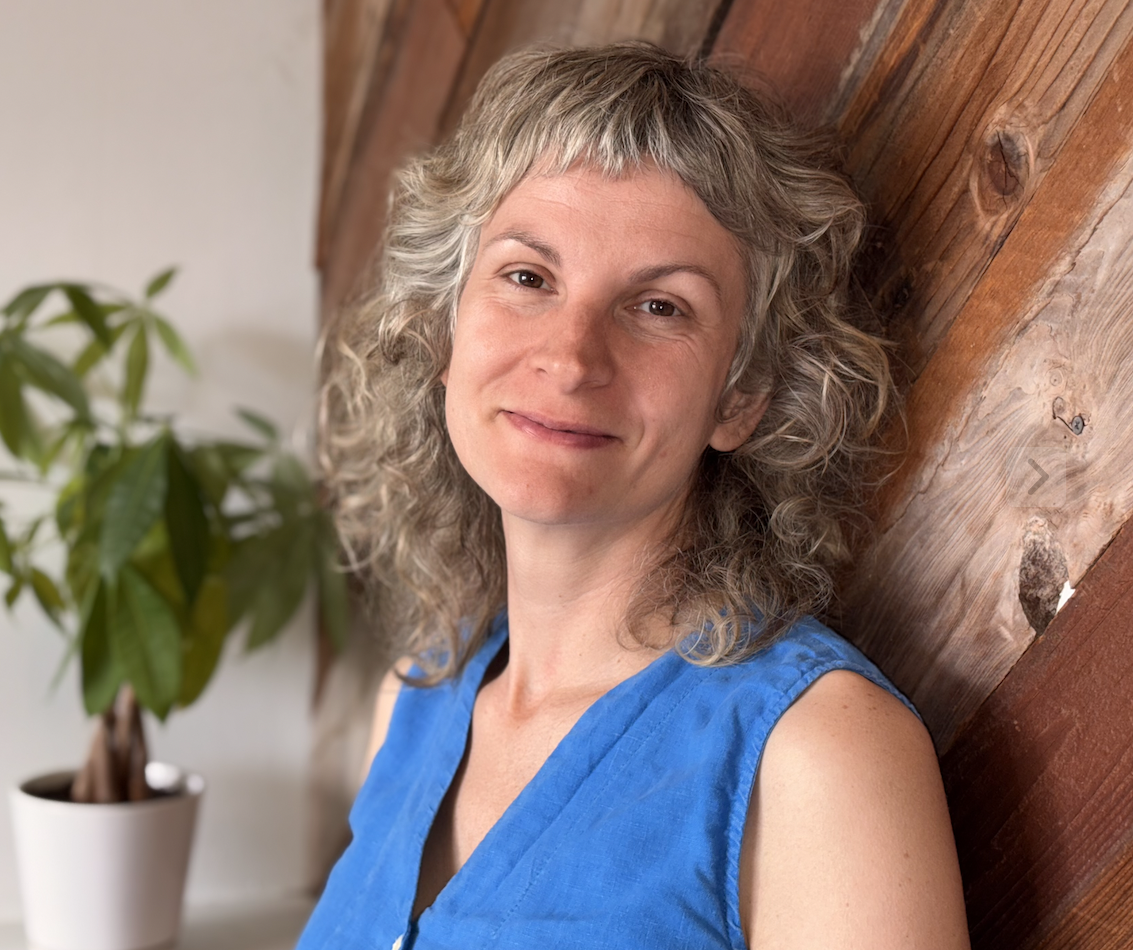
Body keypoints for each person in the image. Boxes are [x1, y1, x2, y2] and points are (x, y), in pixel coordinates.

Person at [300, 42, 970, 950]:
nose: (572, 357)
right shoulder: (415, 698)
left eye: (661, 307)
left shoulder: (817, 756)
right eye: (528, 277)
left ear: (742, 395)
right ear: (444, 330)